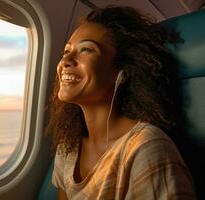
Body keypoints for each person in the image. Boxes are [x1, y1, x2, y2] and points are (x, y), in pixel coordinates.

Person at [48, 5, 196, 200]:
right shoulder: (68, 147)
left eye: (86, 50)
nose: (65, 60)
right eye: (66, 51)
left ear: (122, 72)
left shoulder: (146, 149)